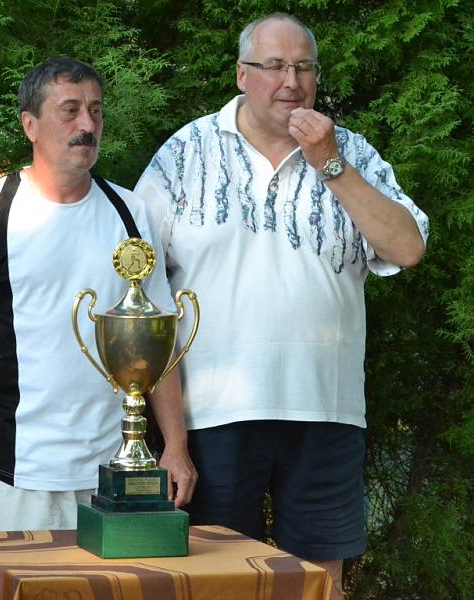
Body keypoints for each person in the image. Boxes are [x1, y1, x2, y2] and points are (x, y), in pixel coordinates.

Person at [134, 13, 428, 597]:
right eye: (273, 66)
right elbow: (142, 293)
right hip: (214, 413)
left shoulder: (352, 154)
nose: (290, 81)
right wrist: (169, 437)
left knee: (319, 582)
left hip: (327, 408)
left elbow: (407, 247)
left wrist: (330, 163)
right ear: (242, 74)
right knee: (213, 580)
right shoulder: (184, 153)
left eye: (303, 67)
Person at [0, 57, 196, 531]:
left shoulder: (130, 213)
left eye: (96, 110)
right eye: (69, 110)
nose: (87, 125)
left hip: (117, 472)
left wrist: (175, 445)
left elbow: (157, 338)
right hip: (18, 475)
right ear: (30, 124)